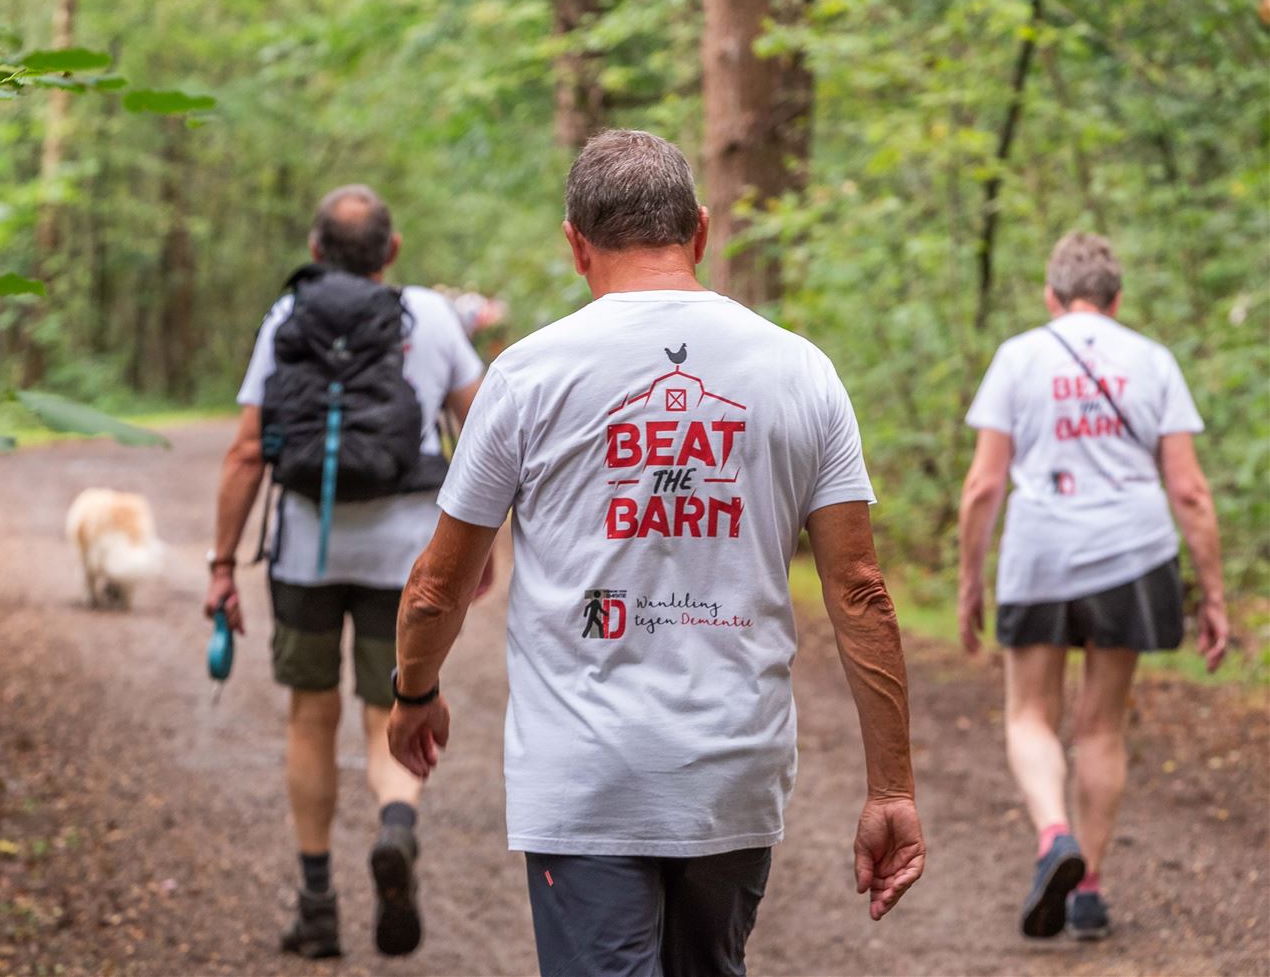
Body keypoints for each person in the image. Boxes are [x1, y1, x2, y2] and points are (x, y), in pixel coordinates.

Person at [386, 129, 926, 975]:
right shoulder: (801, 370)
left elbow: (435, 587)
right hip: (733, 773)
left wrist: (414, 690)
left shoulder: (527, 375)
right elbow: (860, 590)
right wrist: (891, 785)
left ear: (575, 245)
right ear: (700, 231)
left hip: (586, 777)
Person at [204, 184, 485, 959]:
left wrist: (222, 565)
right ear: (392, 250)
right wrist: (478, 550)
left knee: (309, 715)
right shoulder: (430, 315)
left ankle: (318, 904)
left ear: (315, 249)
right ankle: (396, 825)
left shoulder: (287, 315)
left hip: (307, 551)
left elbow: (245, 452)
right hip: (407, 556)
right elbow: (485, 430)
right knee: (391, 706)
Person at [958, 231, 1230, 941]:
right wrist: (1213, 595)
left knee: (1029, 714)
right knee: (1102, 725)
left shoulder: (1019, 356)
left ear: (1051, 296)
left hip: (1040, 552)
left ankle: (1055, 835)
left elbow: (984, 484)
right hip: (1132, 553)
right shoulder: (1153, 360)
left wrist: (970, 581)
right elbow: (1190, 491)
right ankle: (1089, 892)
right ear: (1117, 299)